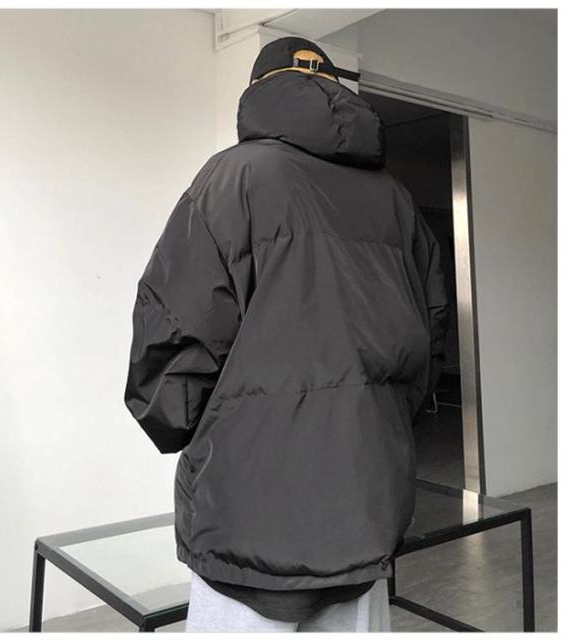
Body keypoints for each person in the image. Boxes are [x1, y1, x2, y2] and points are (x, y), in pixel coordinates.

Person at [124, 36, 450, 632]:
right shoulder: (396, 199)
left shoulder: (233, 178)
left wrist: (191, 426)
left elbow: (171, 338)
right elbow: (429, 338)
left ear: (257, 92)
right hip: (365, 503)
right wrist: (373, 423)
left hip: (249, 515)